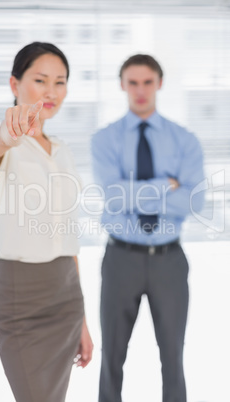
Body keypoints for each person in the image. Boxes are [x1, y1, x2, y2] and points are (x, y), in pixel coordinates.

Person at [0, 42, 93, 402]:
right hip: (21, 300)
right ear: (14, 84)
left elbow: (69, 238)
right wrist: (8, 133)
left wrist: (83, 321)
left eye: (60, 82)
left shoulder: (63, 151)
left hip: (67, 295)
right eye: (40, 80)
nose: (52, 91)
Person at [91, 54, 205, 402]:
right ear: (123, 85)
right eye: (133, 83)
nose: (140, 91)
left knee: (173, 358)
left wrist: (134, 192)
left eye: (147, 82)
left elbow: (193, 202)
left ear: (159, 84)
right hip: (121, 258)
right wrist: (166, 186)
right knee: (111, 358)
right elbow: (111, 197)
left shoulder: (184, 140)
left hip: (169, 259)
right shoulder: (105, 139)